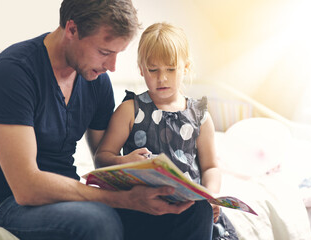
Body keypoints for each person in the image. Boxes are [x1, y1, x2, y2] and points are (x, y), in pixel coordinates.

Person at [0, 1, 198, 240]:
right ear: (72, 30)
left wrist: (136, 172)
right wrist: (120, 200)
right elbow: (26, 188)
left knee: (192, 211)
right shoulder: (13, 73)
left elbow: (103, 163)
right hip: (7, 203)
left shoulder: (96, 80)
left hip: (72, 198)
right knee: (97, 220)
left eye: (117, 54)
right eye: (105, 52)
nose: (111, 67)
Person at [95, 22, 238, 240]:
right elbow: (102, 158)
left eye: (171, 69)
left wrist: (211, 195)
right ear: (141, 69)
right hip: (141, 204)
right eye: (153, 70)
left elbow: (210, 167)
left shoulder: (200, 117)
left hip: (185, 207)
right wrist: (126, 162)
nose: (162, 78)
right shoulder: (130, 110)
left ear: (186, 68)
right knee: (115, 213)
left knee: (201, 210)